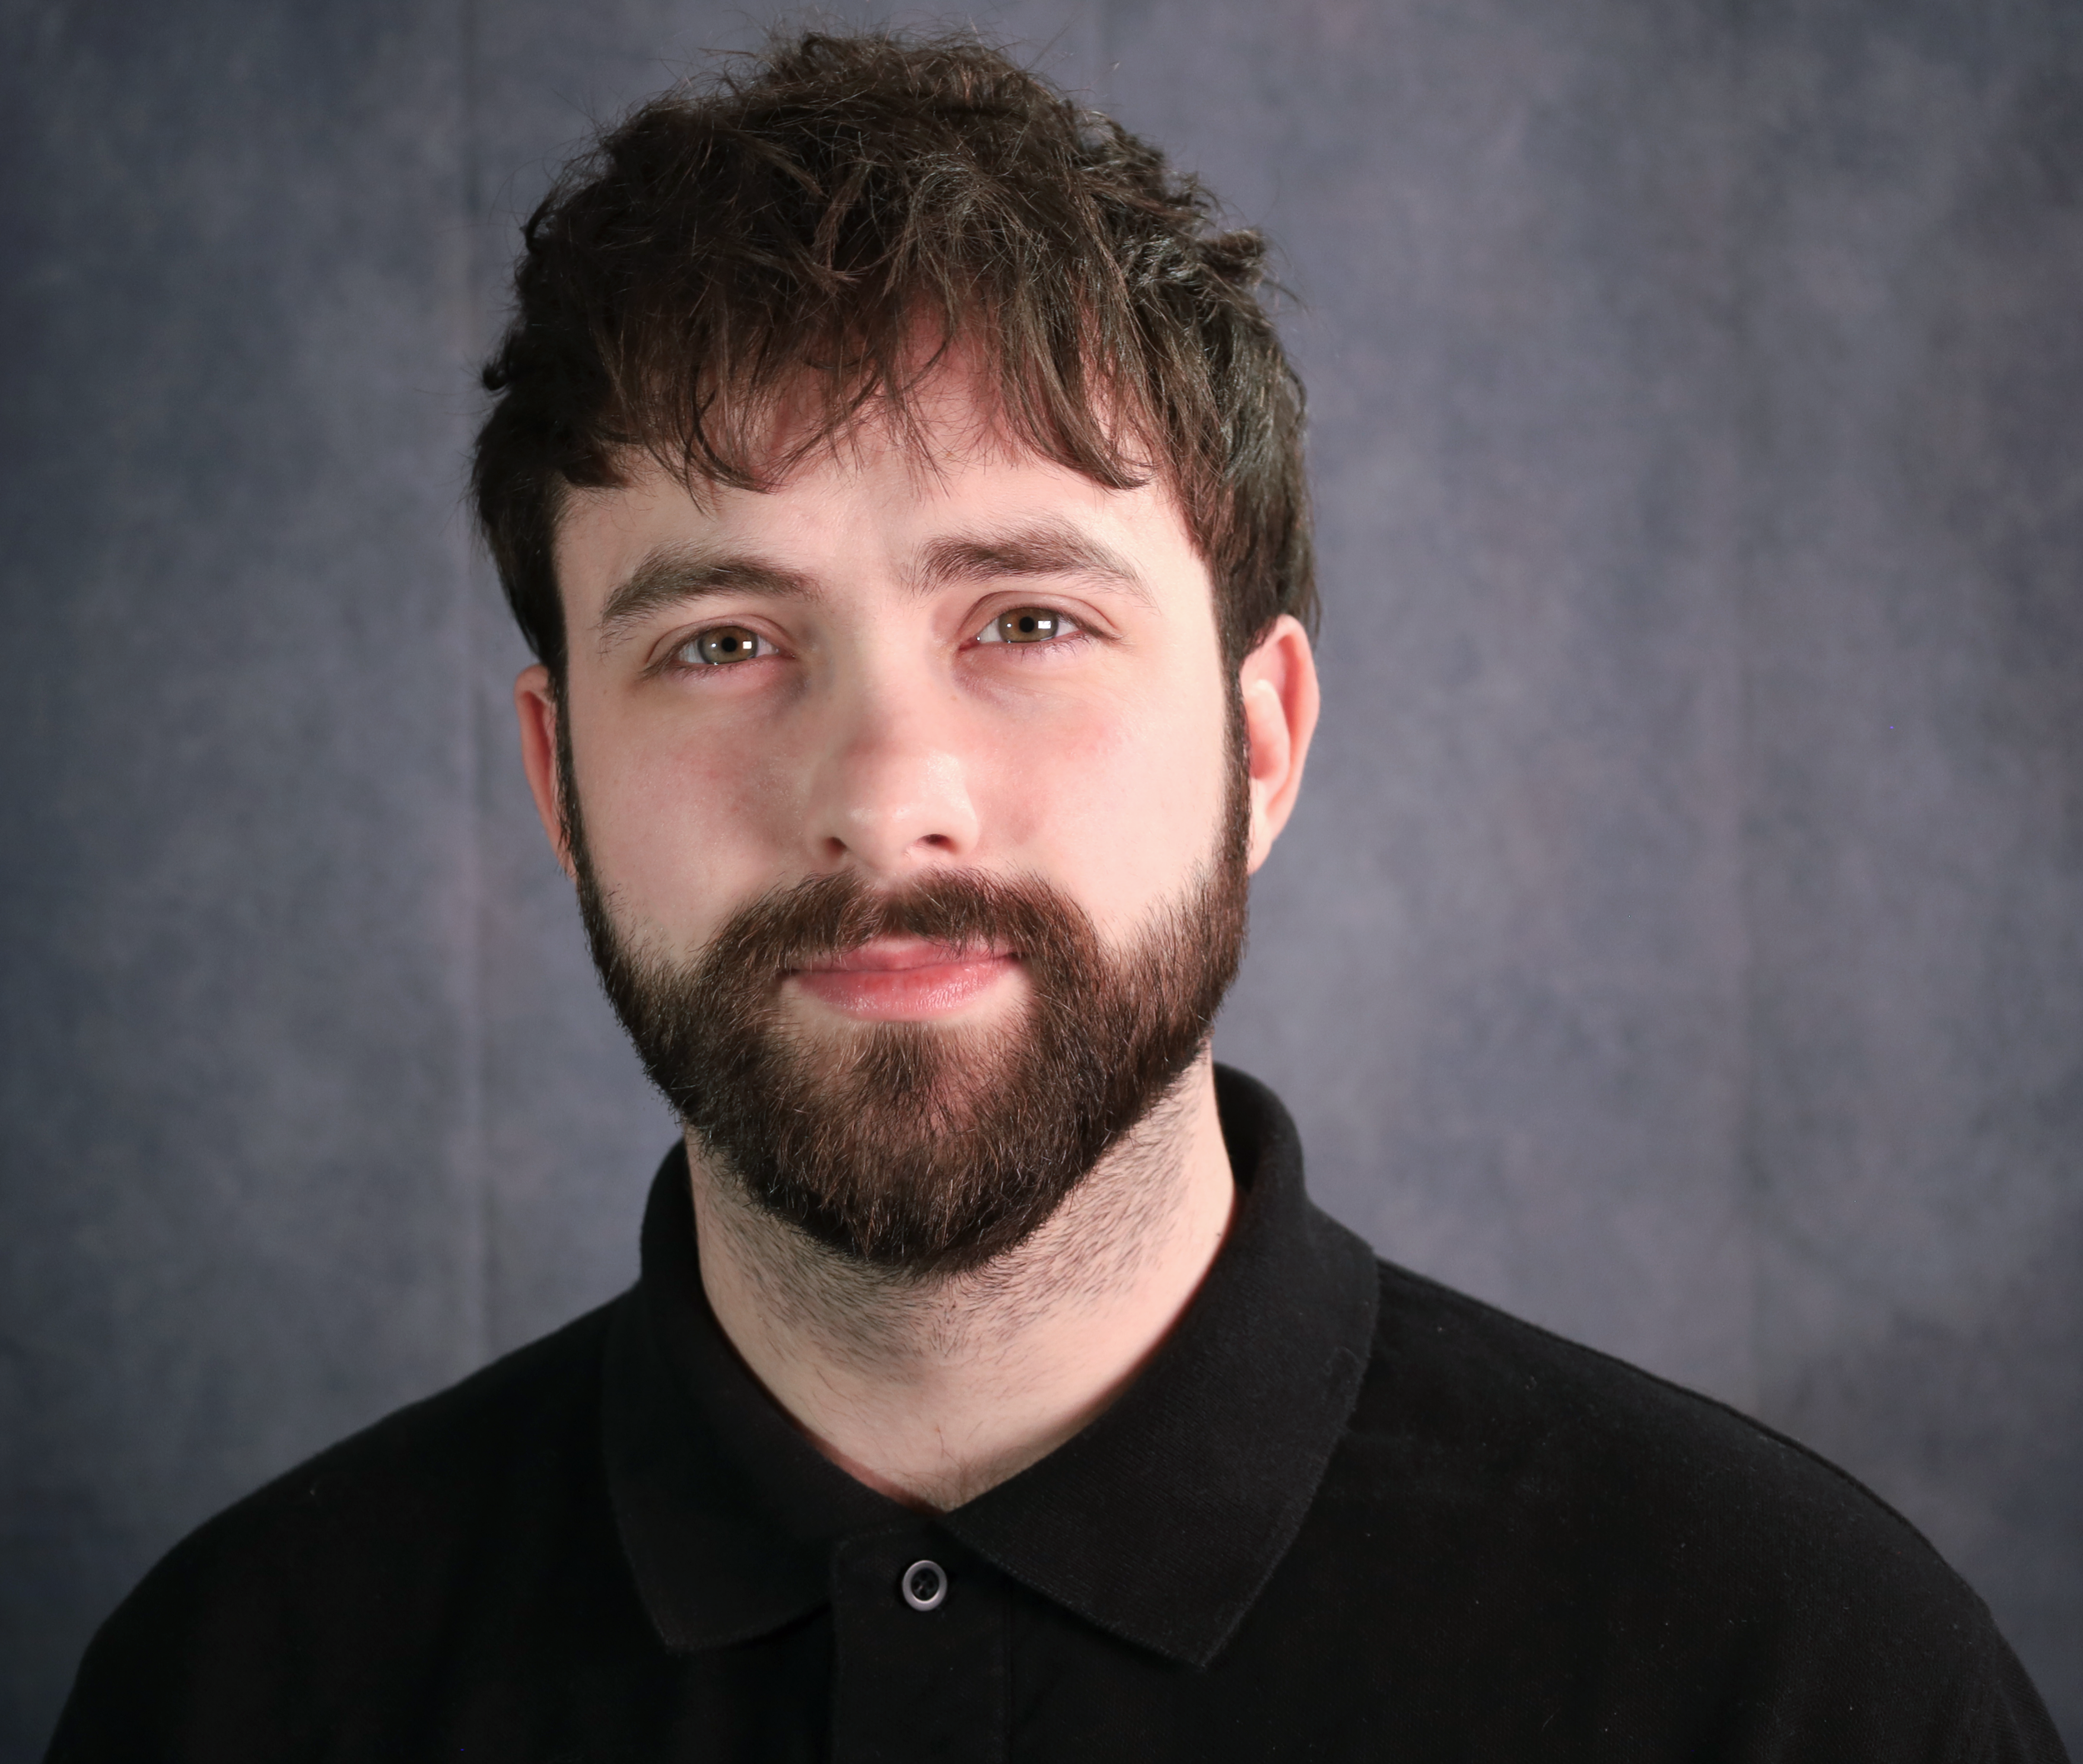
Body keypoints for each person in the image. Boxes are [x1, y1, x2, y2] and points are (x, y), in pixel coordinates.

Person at [46, 28, 2067, 1763]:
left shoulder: (1802, 1687)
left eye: (1022, 615)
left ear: (1258, 742)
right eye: (724, 642)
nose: (884, 797)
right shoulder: (237, 1690)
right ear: (558, 773)